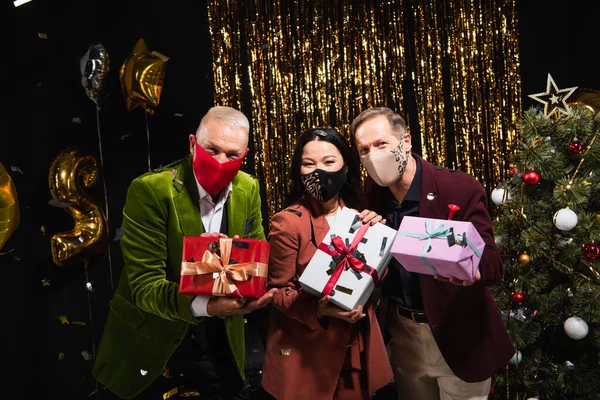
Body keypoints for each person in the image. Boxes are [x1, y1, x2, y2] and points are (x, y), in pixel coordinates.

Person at [92, 106, 278, 400]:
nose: (220, 161)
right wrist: (205, 297)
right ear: (193, 144)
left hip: (220, 340)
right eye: (211, 149)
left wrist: (250, 287)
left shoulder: (248, 187)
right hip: (155, 341)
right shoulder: (152, 190)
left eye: (231, 155)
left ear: (244, 155)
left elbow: (254, 263)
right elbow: (145, 286)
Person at [350, 107, 515, 400]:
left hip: (459, 334)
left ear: (406, 141)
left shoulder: (458, 187)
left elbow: (492, 261)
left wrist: (472, 271)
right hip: (403, 335)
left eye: (381, 144)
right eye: (364, 150)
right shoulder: (373, 194)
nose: (373, 156)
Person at [261, 128, 394, 400]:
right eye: (309, 164)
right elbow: (277, 292)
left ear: (345, 166)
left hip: (354, 348)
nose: (318, 171)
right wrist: (320, 310)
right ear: (299, 170)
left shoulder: (359, 213)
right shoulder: (288, 221)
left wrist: (377, 240)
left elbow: (376, 275)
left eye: (329, 162)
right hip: (307, 353)